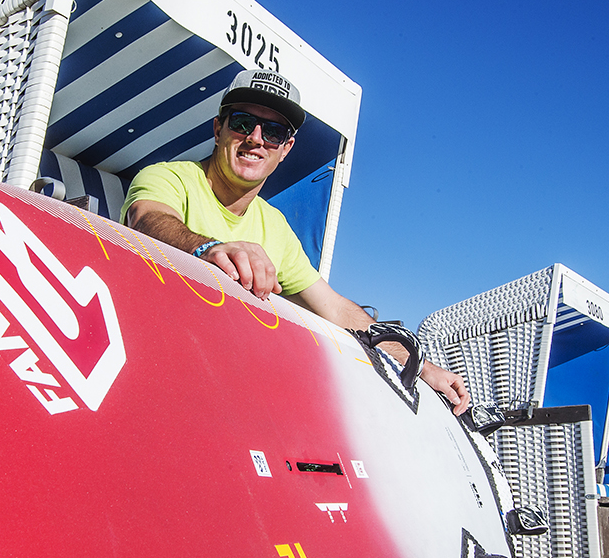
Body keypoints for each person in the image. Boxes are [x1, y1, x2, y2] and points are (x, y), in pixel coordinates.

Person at [122, 70, 470, 415]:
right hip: (148, 365)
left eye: (273, 132)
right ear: (218, 130)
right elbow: (147, 219)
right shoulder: (168, 178)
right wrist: (209, 249)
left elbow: (334, 308)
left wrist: (420, 366)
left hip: (222, 391)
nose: (256, 139)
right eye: (243, 123)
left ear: (285, 149)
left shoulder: (275, 226)